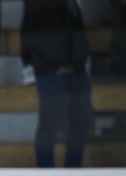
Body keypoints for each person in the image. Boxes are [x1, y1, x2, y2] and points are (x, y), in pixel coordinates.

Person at [22, 0, 96, 167]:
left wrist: (78, 60)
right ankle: (47, 175)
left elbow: (75, 30)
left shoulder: (71, 4)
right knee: (49, 125)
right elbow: (34, 33)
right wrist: (53, 63)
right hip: (52, 71)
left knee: (81, 122)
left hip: (75, 69)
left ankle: (72, 170)